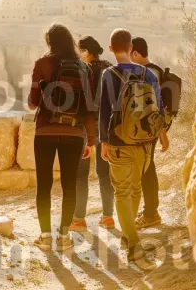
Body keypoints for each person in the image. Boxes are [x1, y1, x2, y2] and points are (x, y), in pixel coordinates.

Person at [28, 23, 96, 252]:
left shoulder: (41, 64)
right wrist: (91, 140)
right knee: (69, 185)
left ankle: (45, 236)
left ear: (50, 42)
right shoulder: (83, 67)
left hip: (45, 132)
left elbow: (32, 102)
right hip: (74, 134)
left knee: (44, 184)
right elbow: (89, 108)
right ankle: (64, 237)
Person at [99, 28, 164, 262]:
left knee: (122, 191)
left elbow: (104, 110)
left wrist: (103, 141)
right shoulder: (149, 74)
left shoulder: (109, 74)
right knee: (135, 188)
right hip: (145, 143)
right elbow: (159, 109)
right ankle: (129, 235)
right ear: (130, 48)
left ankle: (133, 243)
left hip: (118, 141)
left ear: (110, 48)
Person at [69, 36, 115, 232]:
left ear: (86, 51)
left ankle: (79, 219)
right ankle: (108, 218)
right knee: (105, 174)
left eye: (80, 50)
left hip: (84, 127)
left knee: (81, 174)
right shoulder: (110, 68)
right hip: (106, 127)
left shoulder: (81, 69)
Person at [130, 37, 170, 229]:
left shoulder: (147, 72)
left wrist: (162, 133)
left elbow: (154, 106)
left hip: (147, 129)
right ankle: (151, 210)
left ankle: (151, 213)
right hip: (152, 128)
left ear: (136, 53)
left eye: (131, 55)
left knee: (146, 169)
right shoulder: (155, 69)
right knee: (148, 167)